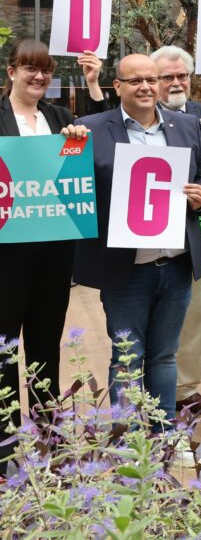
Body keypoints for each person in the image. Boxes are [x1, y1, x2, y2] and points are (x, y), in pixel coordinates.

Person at [74, 53, 201, 467]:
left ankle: (166, 435)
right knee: (127, 356)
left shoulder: (186, 125)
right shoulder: (93, 129)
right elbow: (69, 179)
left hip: (174, 264)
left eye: (152, 79)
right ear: (117, 86)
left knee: (165, 355)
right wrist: (69, 142)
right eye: (136, 81)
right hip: (124, 271)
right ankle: (126, 440)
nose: (147, 87)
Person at [0, 40, 94, 464]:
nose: (38, 77)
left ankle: (49, 438)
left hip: (55, 249)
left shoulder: (60, 118)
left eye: (45, 71)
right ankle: (5, 447)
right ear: (11, 71)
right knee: (4, 347)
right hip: (6, 251)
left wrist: (77, 140)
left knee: (45, 344)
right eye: (29, 69)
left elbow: (74, 173)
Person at [139, 45, 201, 417]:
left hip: (189, 233)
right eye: (167, 76)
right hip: (140, 234)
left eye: (182, 76)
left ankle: (184, 390)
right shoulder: (133, 118)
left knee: (194, 315)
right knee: (140, 319)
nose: (176, 82)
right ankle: (143, 396)